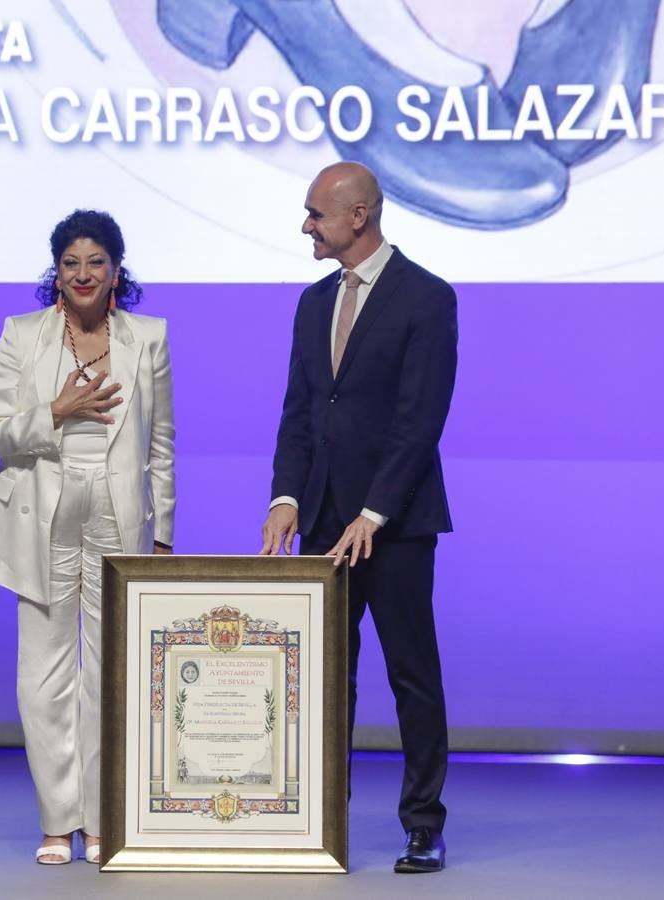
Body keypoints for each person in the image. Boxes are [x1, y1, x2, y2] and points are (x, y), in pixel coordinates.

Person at [260, 161, 457, 874]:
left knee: (411, 673)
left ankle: (422, 824)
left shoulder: (426, 298)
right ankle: (322, 818)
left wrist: (374, 511)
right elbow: (299, 411)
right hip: (321, 522)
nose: (306, 225)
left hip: (394, 526)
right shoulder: (313, 303)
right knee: (322, 678)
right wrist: (285, 497)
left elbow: (419, 421)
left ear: (359, 215)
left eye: (315, 213)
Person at [0, 209, 175, 865]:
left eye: (95, 262)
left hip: (117, 518)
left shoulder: (149, 338)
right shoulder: (22, 336)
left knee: (109, 675)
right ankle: (58, 823)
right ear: (56, 275)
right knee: (44, 677)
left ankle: (100, 815)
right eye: (70, 263)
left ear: (116, 272)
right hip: (43, 514)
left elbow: (161, 443)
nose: (83, 273)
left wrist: (161, 531)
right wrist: (56, 410)